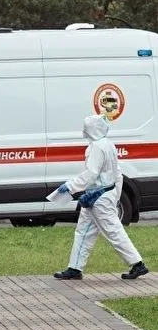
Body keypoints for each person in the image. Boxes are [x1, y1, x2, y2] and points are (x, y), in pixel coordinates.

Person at [54, 114, 149, 280]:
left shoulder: (96, 147)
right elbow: (117, 174)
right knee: (84, 231)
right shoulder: (108, 144)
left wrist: (70, 186)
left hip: (98, 197)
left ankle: (137, 263)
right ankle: (75, 268)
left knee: (112, 230)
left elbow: (91, 174)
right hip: (100, 195)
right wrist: (114, 195)